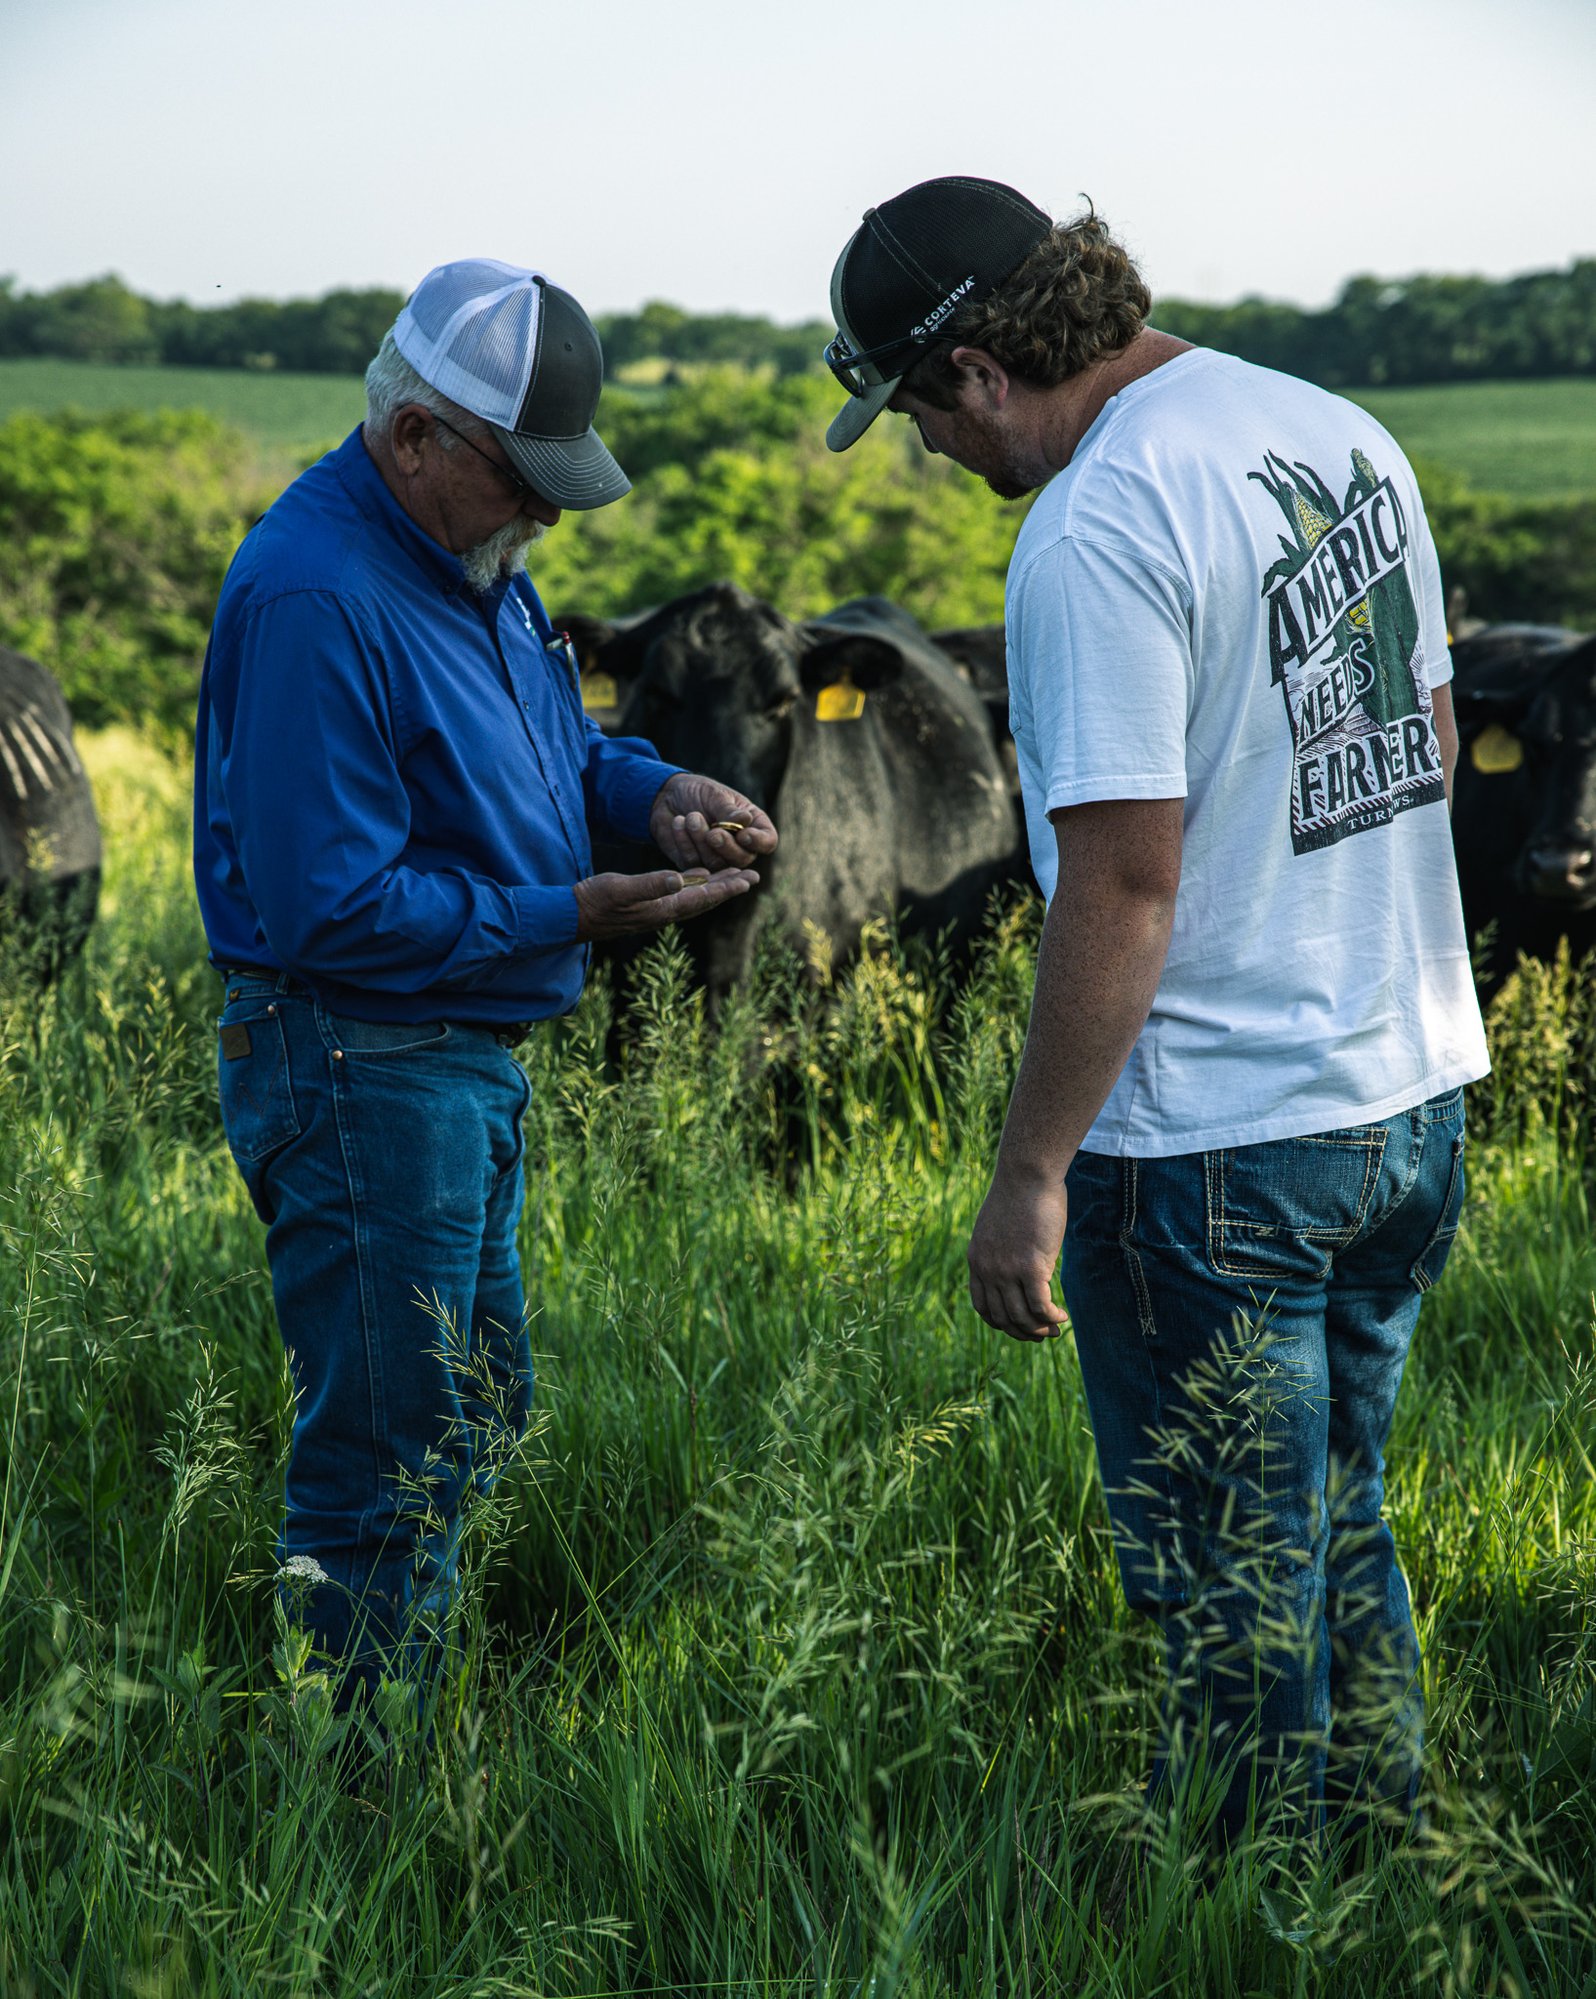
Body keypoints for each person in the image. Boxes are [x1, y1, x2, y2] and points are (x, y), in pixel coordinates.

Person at [821, 178, 1488, 1846]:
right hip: (1405, 1098)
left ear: (976, 368)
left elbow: (1122, 885)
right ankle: (1381, 1872)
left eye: (911, 410)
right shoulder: (1336, 435)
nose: (925, 449)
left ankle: (1261, 1918)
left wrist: (1032, 1170)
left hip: (1216, 1146)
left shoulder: (1098, 526)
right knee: (1340, 1526)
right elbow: (1429, 736)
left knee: (1227, 1596)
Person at [194, 258, 776, 1700]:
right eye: (526, 481)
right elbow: (330, 911)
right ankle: (352, 1800)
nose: (546, 514)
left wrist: (653, 796)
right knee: (391, 1453)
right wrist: (563, 913)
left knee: (475, 1404)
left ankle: (398, 1713)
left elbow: (559, 752)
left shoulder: (477, 567)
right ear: (414, 438)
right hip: (359, 1055)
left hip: (452, 1057)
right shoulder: (316, 597)